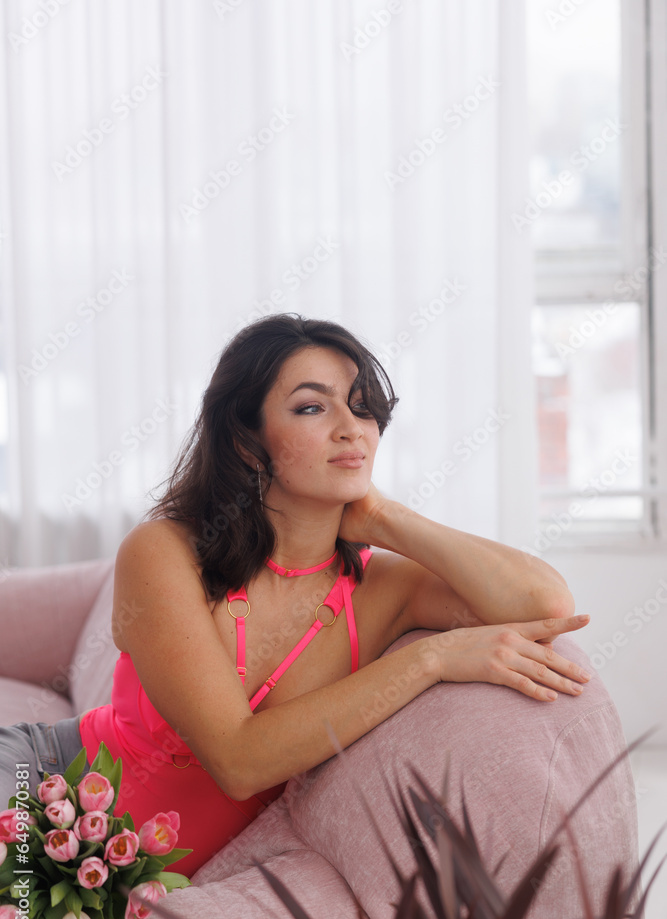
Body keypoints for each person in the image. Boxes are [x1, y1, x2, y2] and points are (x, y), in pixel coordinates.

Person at [1, 313, 592, 876]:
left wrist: (387, 517)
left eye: (363, 410)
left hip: (127, 875)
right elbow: (238, 761)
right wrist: (430, 659)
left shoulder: (379, 588)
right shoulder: (167, 551)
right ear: (247, 441)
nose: (350, 428)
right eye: (312, 407)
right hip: (45, 780)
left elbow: (546, 605)